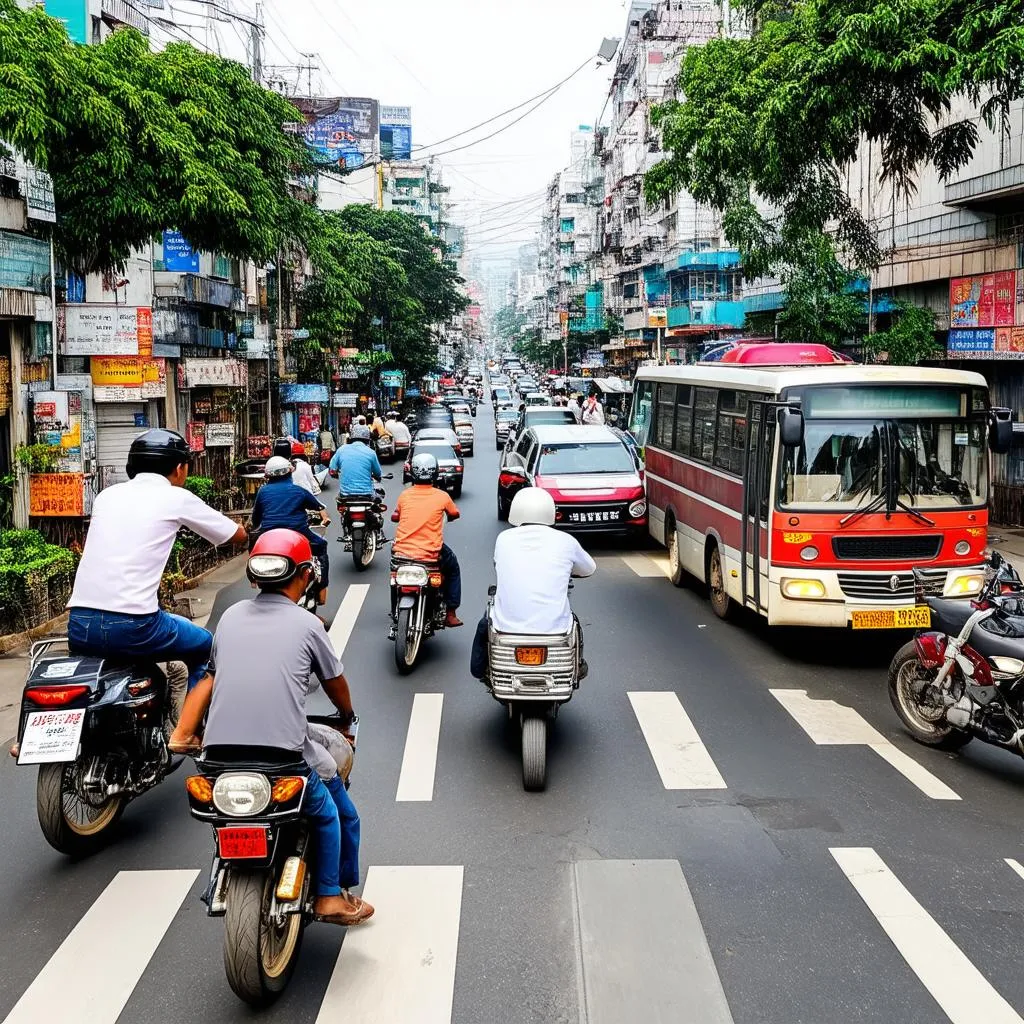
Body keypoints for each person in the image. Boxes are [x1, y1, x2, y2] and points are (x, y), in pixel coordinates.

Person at [179, 529, 373, 926]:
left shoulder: (230, 617)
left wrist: (184, 735)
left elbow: (209, 680)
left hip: (218, 757)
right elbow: (335, 683)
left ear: (253, 577)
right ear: (306, 575)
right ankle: (331, 896)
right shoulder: (308, 625)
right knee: (337, 814)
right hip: (284, 758)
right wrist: (347, 715)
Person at [66, 428, 245, 690]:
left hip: (80, 625)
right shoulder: (176, 498)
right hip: (135, 626)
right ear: (179, 468)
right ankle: (191, 729)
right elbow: (236, 535)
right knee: (207, 647)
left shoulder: (107, 496)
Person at [471, 488, 595, 680]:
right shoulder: (566, 541)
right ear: (550, 512)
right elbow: (589, 568)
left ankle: (480, 671)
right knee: (574, 623)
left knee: (484, 623)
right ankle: (577, 665)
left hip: (506, 629)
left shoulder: (503, 539)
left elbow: (498, 564)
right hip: (555, 630)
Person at [391, 453, 463, 628]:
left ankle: (394, 609)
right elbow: (455, 514)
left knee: (394, 579)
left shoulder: (404, 495)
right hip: (431, 554)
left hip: (401, 553)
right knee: (452, 568)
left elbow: (396, 515)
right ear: (435, 472)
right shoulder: (442, 496)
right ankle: (451, 613)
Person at [251, 456, 330, 606]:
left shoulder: (263, 491)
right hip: (298, 533)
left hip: (268, 536)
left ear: (267, 476)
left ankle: (253, 579)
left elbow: (256, 519)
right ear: (290, 472)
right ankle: (321, 590)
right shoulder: (299, 491)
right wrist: (323, 517)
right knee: (321, 546)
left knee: (255, 550)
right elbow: (318, 506)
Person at [328, 424, 383, 497]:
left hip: (346, 494)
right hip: (366, 494)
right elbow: (378, 473)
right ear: (367, 439)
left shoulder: (341, 450)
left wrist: (336, 473)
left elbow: (332, 469)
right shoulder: (371, 453)